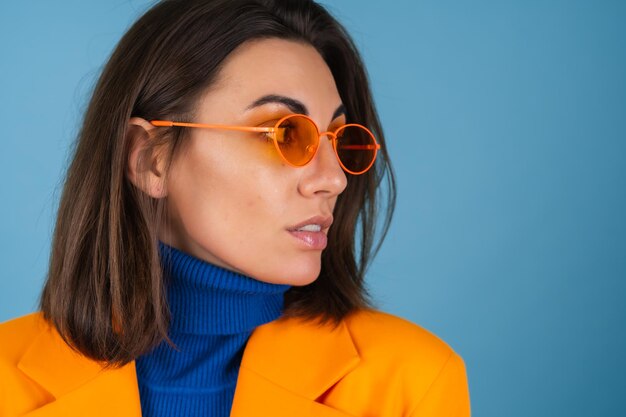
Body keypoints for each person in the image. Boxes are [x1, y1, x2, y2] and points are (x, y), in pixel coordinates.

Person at [0, 0, 470, 415]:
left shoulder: (411, 383)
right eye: (286, 133)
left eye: (339, 138)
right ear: (149, 159)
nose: (334, 179)